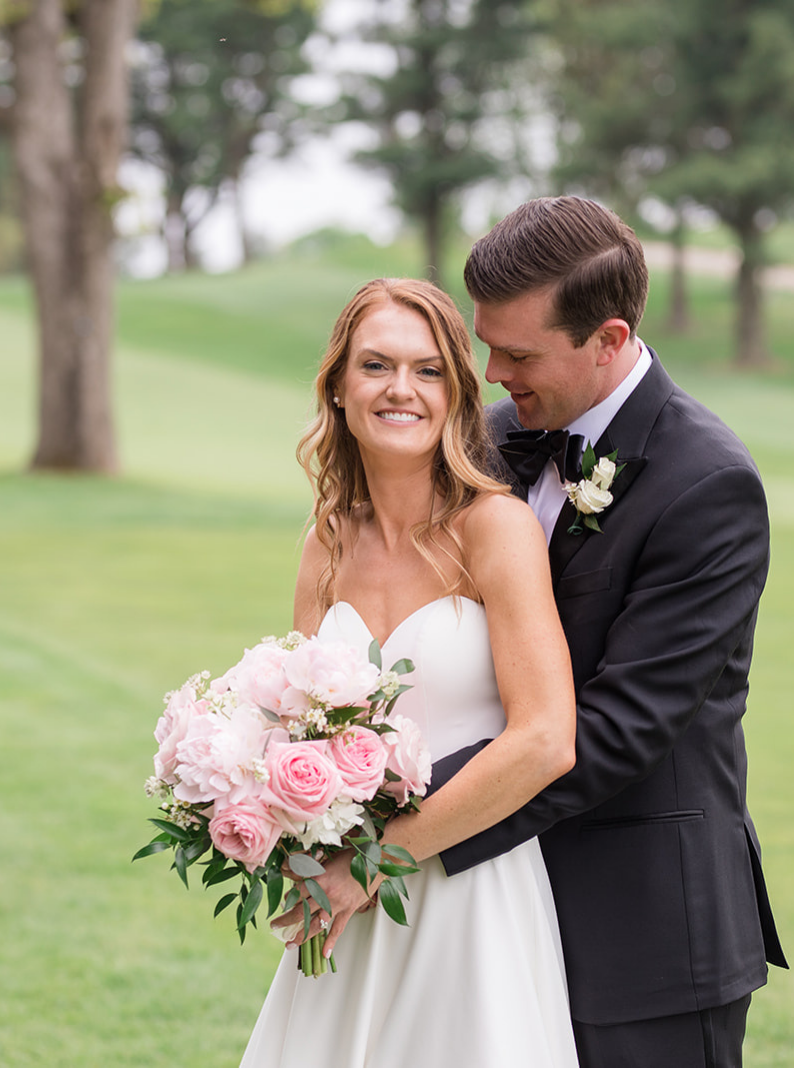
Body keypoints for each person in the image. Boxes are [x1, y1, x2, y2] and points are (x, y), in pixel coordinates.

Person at [429, 196, 789, 1067]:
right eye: (485, 343)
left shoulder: (707, 486)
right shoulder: (493, 438)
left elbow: (620, 728)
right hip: (498, 919)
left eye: (517, 353)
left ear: (611, 338)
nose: (489, 371)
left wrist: (401, 815)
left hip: (649, 937)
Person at [239, 278, 583, 1068]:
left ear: (457, 392)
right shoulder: (326, 540)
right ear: (338, 386)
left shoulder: (496, 528)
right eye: (377, 366)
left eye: (428, 370)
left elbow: (544, 740)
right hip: (344, 902)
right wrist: (289, 845)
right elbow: (294, 730)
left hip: (471, 897)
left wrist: (377, 863)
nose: (402, 389)